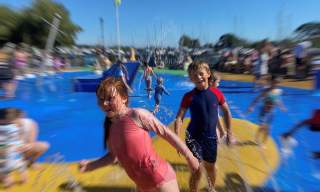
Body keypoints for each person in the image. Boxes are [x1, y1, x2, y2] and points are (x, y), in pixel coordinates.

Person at [79, 77, 199, 192]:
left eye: (110, 98)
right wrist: (91, 165)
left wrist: (189, 155)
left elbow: (165, 133)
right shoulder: (110, 127)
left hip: (161, 179)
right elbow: (113, 156)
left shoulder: (136, 115)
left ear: (124, 97)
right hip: (142, 186)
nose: (105, 103)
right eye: (101, 99)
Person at [174, 61, 233, 192]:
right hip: (193, 138)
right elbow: (179, 118)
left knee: (211, 168)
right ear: (190, 78)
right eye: (194, 76)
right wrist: (177, 139)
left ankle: (211, 188)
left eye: (201, 74)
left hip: (210, 138)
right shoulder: (188, 97)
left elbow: (226, 111)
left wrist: (229, 133)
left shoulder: (216, 93)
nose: (198, 77)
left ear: (208, 74)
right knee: (197, 171)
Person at [247, 76, 287, 146]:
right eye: (274, 83)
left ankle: (264, 142)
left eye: (277, 83)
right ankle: (257, 137)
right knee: (262, 126)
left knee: (268, 128)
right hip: (264, 111)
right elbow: (257, 98)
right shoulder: (266, 90)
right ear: (271, 82)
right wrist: (251, 107)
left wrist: (282, 107)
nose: (275, 84)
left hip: (271, 112)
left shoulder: (279, 91)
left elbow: (278, 100)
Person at [0, 108, 27, 188]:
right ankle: (23, 177)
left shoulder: (1, 129)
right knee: (21, 166)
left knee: (4, 172)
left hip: (7, 158)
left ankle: (8, 182)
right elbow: (19, 140)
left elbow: (2, 144)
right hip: (17, 156)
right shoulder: (15, 128)